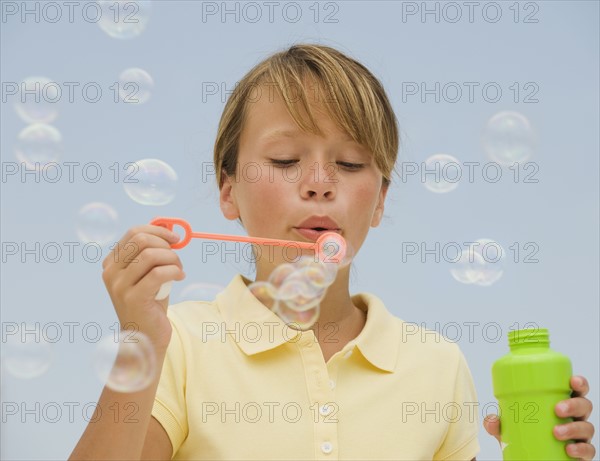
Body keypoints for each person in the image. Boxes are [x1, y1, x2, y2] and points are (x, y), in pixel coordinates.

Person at [69, 44, 596, 460]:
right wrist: (141, 342)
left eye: (348, 164)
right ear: (228, 191)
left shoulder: (435, 364)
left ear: (380, 201)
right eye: (284, 159)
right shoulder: (179, 343)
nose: (320, 184)